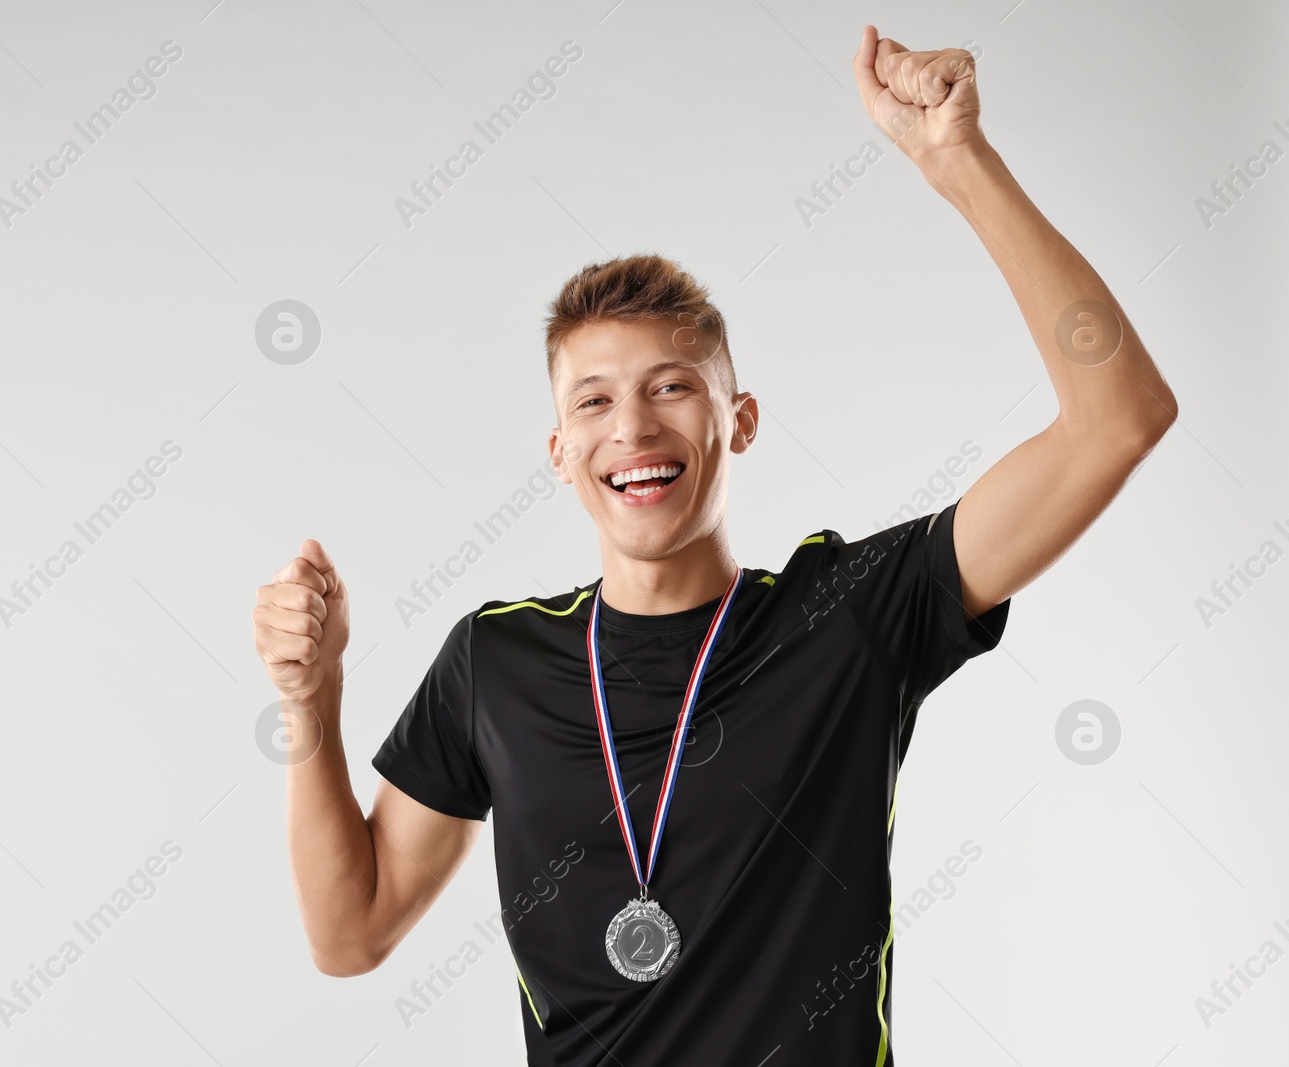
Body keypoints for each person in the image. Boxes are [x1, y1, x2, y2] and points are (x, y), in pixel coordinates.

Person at [252, 24, 1178, 1066]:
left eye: (671, 387)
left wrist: (957, 161)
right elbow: (349, 933)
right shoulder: (494, 662)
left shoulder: (849, 616)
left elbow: (1118, 417)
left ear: (736, 419)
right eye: (594, 401)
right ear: (560, 452)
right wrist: (313, 700)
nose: (634, 429)